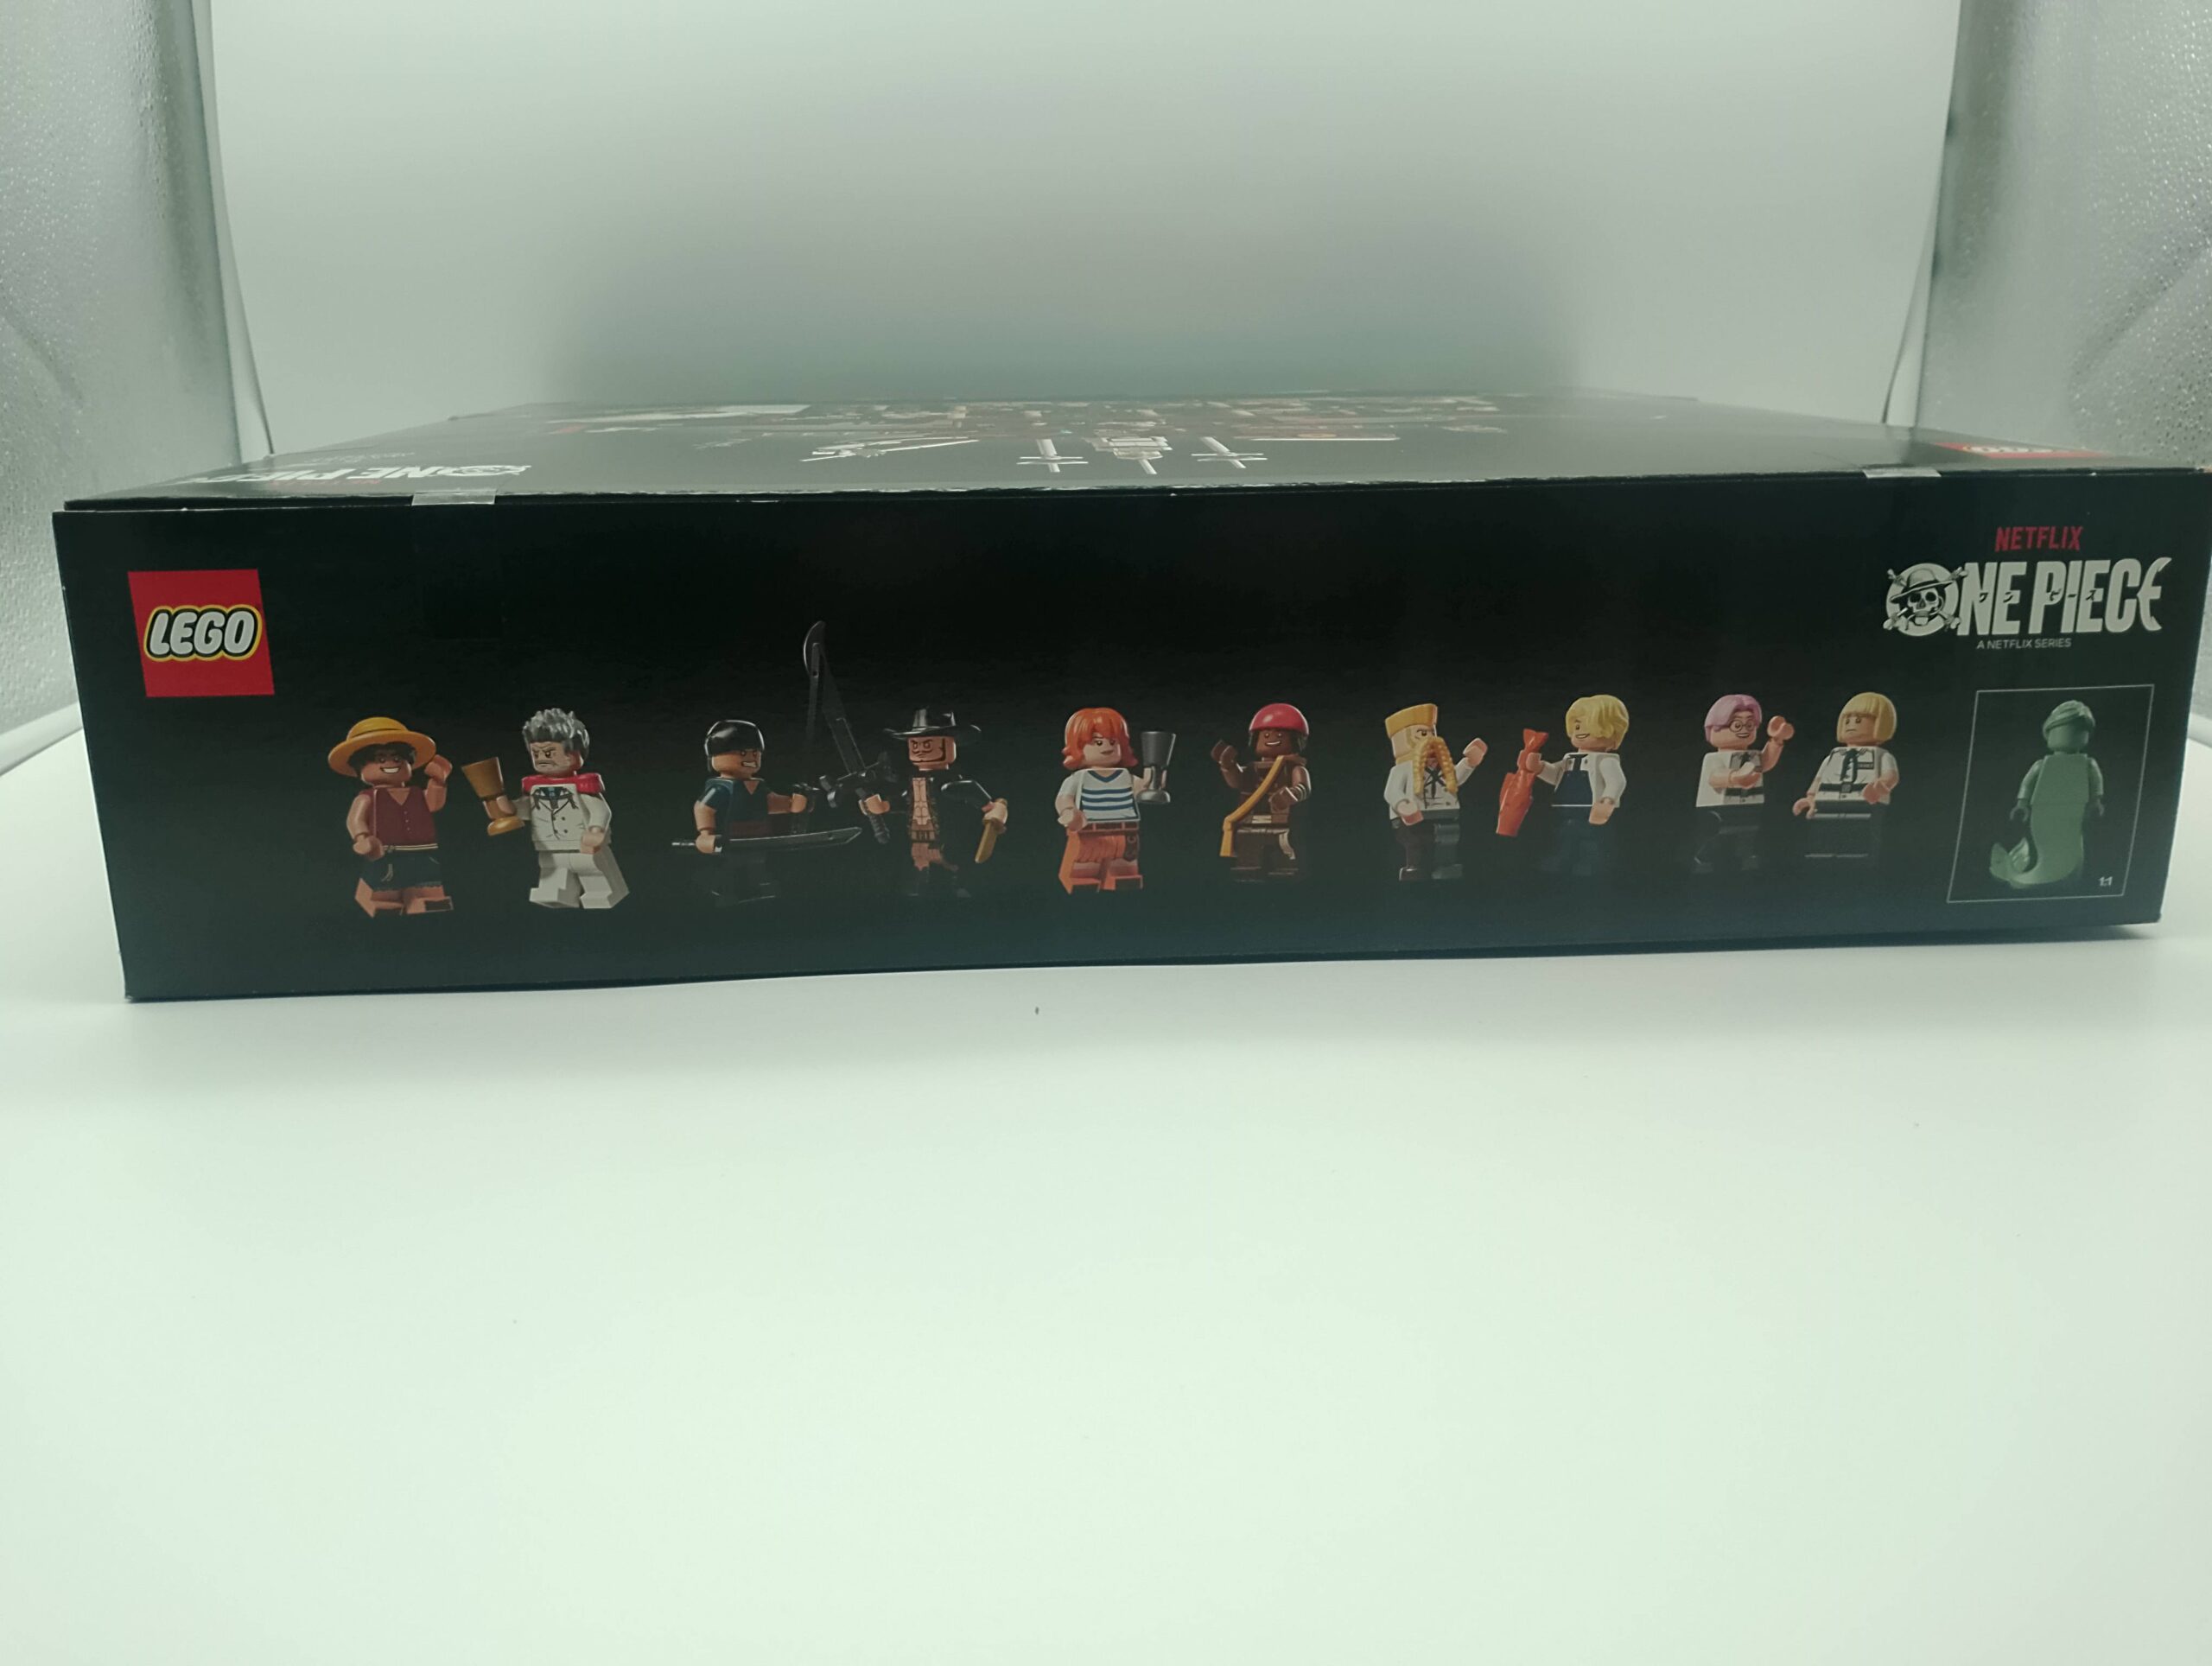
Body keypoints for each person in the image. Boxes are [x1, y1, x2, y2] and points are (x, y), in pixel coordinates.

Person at [330, 715, 454, 916]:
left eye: (398, 758)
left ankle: (427, 904)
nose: (391, 763)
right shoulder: (367, 797)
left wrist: (438, 783)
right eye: (380, 759)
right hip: (386, 854)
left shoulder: (416, 794)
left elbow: (434, 804)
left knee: (428, 887)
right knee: (385, 891)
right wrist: (362, 837)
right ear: (360, 768)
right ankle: (384, 906)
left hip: (422, 853)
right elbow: (355, 819)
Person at [1055, 707, 1159, 893]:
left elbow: (1143, 790)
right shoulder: (1079, 778)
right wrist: (1069, 811)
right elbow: (1064, 798)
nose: (1107, 747)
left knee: (1124, 858)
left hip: (1125, 828)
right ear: (1078, 747)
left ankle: (1121, 876)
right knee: (1087, 858)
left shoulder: (1125, 777)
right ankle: (1082, 878)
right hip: (1090, 829)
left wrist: (1154, 777)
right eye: (1098, 742)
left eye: (1113, 741)